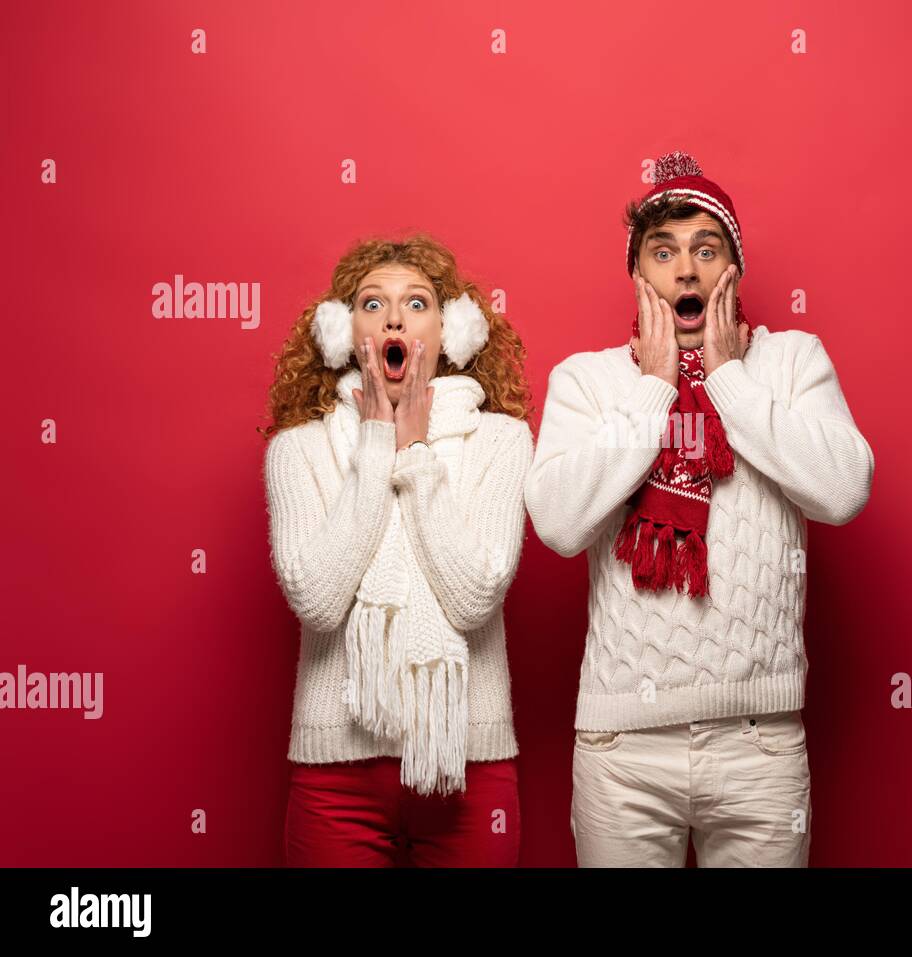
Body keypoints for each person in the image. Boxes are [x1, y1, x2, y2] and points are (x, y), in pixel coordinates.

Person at [524, 151, 875, 867]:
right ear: (638, 275)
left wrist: (730, 381)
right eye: (663, 252)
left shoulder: (792, 362)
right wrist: (654, 390)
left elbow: (844, 490)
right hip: (622, 747)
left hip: (759, 741)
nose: (685, 270)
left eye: (705, 250)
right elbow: (557, 524)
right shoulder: (588, 382)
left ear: (732, 270)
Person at [260, 235, 533, 866]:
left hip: (468, 766)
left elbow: (474, 597)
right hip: (336, 777)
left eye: (416, 303)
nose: (393, 319)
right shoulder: (296, 450)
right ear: (342, 332)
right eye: (371, 303)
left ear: (451, 330)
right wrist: (376, 443)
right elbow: (318, 600)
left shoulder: (502, 441)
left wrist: (416, 455)